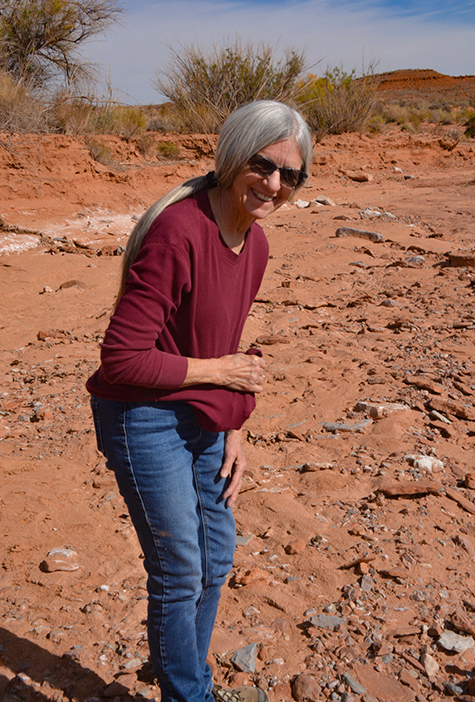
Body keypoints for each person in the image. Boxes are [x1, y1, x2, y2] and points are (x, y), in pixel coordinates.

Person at [86, 100, 312, 702]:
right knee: (180, 567)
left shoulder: (255, 243)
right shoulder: (179, 231)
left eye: (291, 174)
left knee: (217, 559)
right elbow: (121, 359)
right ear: (233, 156)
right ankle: (189, 692)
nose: (274, 184)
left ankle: (182, 671)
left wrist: (235, 426)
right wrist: (222, 373)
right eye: (263, 165)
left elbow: (221, 340)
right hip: (141, 413)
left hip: (205, 411)